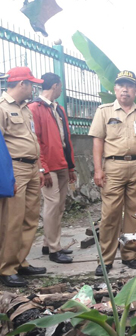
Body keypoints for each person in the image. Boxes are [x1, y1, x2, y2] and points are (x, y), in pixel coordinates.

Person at [89, 70, 136, 276]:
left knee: (135, 213)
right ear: (115, 89)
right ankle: (106, 259)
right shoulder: (104, 111)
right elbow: (97, 142)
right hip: (114, 167)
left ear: (135, 90)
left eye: (129, 86)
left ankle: (129, 254)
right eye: (121, 85)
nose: (125, 89)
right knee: (110, 214)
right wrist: (98, 169)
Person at [0, 67, 46, 287]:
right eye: (31, 84)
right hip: (15, 169)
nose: (33, 88)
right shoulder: (2, 108)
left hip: (31, 168)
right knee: (13, 220)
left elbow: (32, 139)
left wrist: (38, 168)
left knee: (30, 218)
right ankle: (6, 268)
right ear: (22, 84)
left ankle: (21, 262)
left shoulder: (26, 109)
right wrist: (7, 177)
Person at [29, 72, 76, 264]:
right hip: (48, 165)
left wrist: (71, 166)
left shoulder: (59, 109)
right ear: (55, 86)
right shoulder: (35, 108)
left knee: (59, 205)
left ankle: (49, 243)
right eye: (61, 86)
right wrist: (43, 168)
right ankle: (55, 249)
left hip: (62, 163)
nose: (62, 89)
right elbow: (36, 141)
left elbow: (67, 139)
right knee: (51, 205)